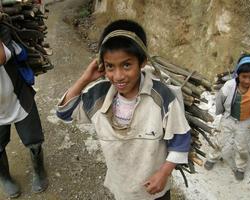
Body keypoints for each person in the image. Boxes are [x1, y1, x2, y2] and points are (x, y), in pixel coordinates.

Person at [56, 19, 191, 200]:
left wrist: (164, 173)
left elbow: (180, 140)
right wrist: (86, 78)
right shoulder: (99, 96)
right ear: (102, 65)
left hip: (155, 190)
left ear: (142, 62)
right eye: (110, 66)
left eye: (126, 65)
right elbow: (64, 113)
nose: (118, 76)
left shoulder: (162, 98)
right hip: (121, 188)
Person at [204, 54, 250, 180]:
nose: (247, 80)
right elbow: (220, 99)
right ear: (238, 75)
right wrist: (221, 112)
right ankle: (212, 157)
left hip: (244, 122)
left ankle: (241, 167)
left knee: (242, 146)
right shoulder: (230, 85)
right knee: (220, 141)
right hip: (228, 119)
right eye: (244, 77)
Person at [0, 25, 47, 198]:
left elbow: (1, 57)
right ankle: (4, 177)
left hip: (17, 96)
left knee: (34, 140)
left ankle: (39, 170)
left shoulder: (2, 30)